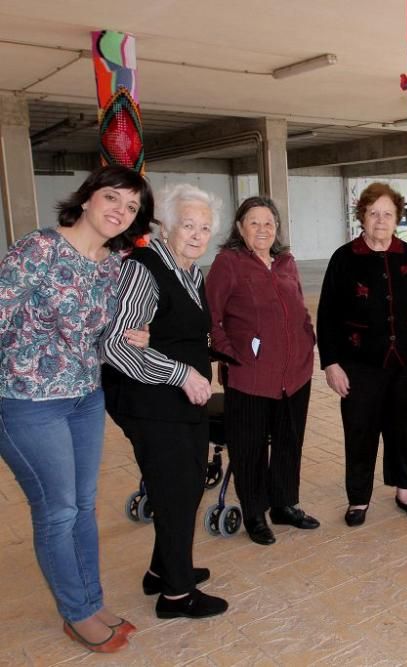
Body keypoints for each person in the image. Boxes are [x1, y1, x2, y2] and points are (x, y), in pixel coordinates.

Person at [0, 165, 153, 652]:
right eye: (112, 198)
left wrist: (131, 335)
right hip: (29, 401)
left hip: (85, 396)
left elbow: (92, 336)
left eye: (131, 207)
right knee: (58, 510)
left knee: (83, 506)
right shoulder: (38, 249)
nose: (120, 212)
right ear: (87, 198)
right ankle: (77, 611)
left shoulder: (111, 263)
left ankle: (91, 598)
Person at [102, 183, 228, 619]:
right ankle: (176, 596)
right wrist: (182, 371)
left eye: (205, 227)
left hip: (179, 397)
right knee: (175, 488)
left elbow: (177, 327)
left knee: (188, 482)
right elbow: (116, 345)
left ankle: (162, 569)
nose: (196, 234)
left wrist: (176, 345)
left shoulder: (190, 271)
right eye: (188, 225)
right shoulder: (145, 268)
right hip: (150, 399)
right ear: (167, 227)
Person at [317, 182, 407, 527]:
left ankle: (405, 490)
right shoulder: (344, 258)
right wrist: (331, 363)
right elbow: (326, 314)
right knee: (360, 429)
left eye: (388, 214)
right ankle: (358, 498)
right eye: (374, 213)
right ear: (363, 217)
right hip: (360, 364)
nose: (381, 220)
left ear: (398, 218)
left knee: (403, 428)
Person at [205, 196, 319, 545]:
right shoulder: (229, 263)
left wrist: (307, 336)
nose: (262, 229)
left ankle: (284, 504)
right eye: (254, 222)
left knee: (288, 442)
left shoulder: (286, 262)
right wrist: (230, 353)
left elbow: (299, 306)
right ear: (240, 227)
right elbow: (210, 315)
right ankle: (255, 513)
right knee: (249, 447)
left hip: (295, 374)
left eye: (268, 223)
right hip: (250, 376)